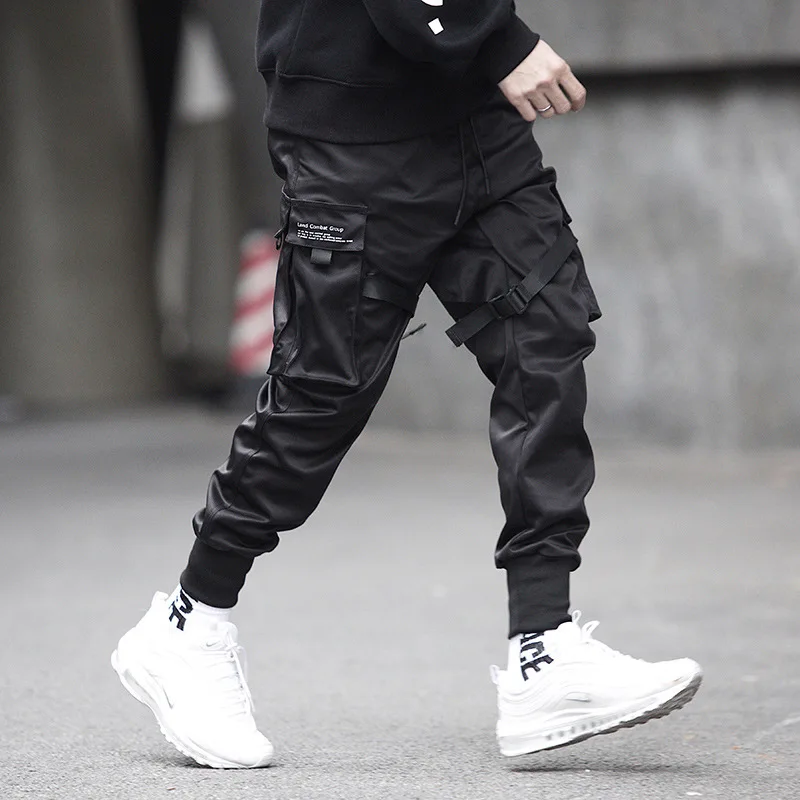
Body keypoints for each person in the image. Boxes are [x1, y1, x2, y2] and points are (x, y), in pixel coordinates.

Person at [112, 0, 702, 769]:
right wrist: (500, 37)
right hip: (354, 133)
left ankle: (544, 648)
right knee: (321, 395)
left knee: (545, 340)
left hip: (476, 121)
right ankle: (189, 623)